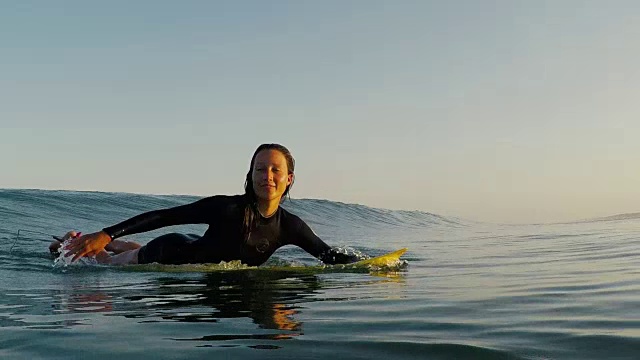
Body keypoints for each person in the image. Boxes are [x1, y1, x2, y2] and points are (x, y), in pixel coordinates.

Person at [61, 143, 359, 266]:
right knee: (108, 262)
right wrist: (107, 234)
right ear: (251, 174)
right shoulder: (227, 208)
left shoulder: (290, 226)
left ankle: (108, 243)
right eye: (259, 169)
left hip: (197, 246)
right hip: (171, 253)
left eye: (274, 170)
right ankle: (76, 240)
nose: (266, 176)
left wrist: (374, 266)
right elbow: (165, 216)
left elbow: (327, 255)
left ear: (289, 179)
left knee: (131, 248)